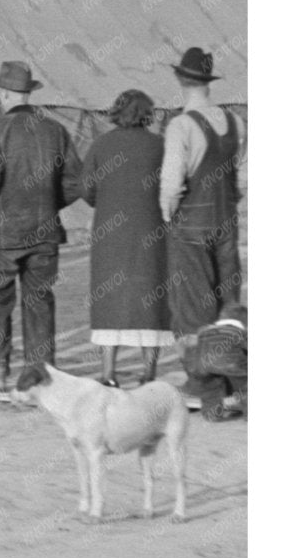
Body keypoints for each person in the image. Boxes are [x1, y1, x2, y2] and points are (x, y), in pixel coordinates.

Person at [0, 60, 84, 387]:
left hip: (1, 234)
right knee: (39, 301)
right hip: (44, 231)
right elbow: (77, 182)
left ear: (3, 94)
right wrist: (49, 201)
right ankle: (40, 372)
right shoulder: (55, 130)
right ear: (28, 93)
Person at [83, 88, 174, 386]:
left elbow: (86, 189)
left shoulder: (101, 145)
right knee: (152, 297)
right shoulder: (160, 146)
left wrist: (107, 200)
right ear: (148, 114)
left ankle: (108, 373)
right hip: (152, 230)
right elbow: (173, 186)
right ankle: (149, 371)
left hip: (110, 233)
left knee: (109, 299)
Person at [159, 48, 243, 341]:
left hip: (191, 225)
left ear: (181, 80)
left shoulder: (180, 125)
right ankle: (231, 368)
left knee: (193, 304)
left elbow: (171, 185)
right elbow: (238, 171)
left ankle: (201, 377)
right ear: (209, 81)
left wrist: (168, 215)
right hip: (226, 220)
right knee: (228, 300)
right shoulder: (235, 122)